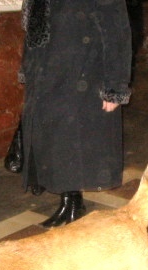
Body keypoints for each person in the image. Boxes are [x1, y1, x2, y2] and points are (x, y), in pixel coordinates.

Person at [19, 0, 132, 228]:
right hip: (48, 73)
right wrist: (29, 70)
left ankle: (72, 202)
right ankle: (69, 199)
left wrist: (114, 87)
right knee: (57, 141)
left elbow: (117, 32)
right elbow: (32, 35)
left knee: (71, 142)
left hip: (82, 73)